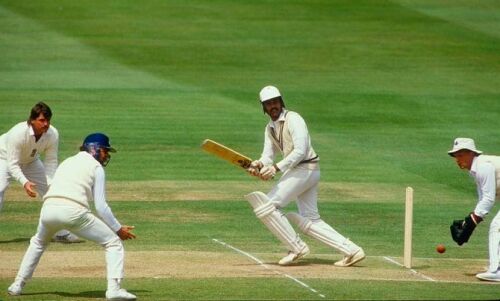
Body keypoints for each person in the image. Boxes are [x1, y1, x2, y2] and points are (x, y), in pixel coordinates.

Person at [245, 85, 365, 266]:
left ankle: (296, 247)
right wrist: (259, 164)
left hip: (306, 169)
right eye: (268, 104)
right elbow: (267, 156)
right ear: (263, 107)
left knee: (266, 206)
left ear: (281, 101)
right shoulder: (269, 128)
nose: (273, 106)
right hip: (300, 171)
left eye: (275, 102)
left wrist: (276, 169)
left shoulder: (294, 119)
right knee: (310, 219)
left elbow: (300, 151)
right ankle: (352, 250)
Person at [7, 133, 137, 300]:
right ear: (94, 149)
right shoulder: (96, 168)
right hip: (74, 211)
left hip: (48, 209)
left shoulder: (67, 161)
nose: (107, 155)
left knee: (38, 243)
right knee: (113, 243)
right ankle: (114, 289)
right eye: (105, 151)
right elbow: (101, 207)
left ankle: (17, 284)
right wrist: (118, 229)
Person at [0, 101, 81, 243]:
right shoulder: (18, 133)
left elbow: (51, 161)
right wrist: (25, 182)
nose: (45, 124)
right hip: (4, 158)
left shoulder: (52, 134)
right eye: (42, 120)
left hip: (30, 161)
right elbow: (12, 164)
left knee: (52, 192)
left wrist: (51, 184)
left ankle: (60, 233)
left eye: (48, 120)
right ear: (32, 120)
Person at [448, 137, 500, 282]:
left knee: (497, 227)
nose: (458, 159)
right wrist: (467, 223)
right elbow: (483, 200)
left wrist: (471, 223)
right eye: (456, 156)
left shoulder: (484, 166)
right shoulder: (476, 170)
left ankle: (496, 270)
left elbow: (489, 199)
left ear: (471, 153)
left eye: (461, 155)